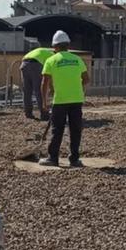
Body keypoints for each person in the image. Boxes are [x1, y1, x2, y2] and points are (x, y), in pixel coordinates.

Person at [39, 30, 89, 167]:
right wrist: (76, 88)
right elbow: (86, 79)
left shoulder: (51, 60)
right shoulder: (77, 59)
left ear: (55, 47)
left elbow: (44, 83)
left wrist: (44, 103)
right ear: (68, 45)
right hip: (76, 100)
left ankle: (53, 158)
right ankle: (74, 159)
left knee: (57, 130)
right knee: (75, 130)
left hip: (60, 100)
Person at [20, 46, 54, 119]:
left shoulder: (44, 52)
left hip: (24, 63)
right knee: (39, 90)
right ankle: (44, 113)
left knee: (27, 91)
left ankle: (28, 113)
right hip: (35, 64)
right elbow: (50, 75)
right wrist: (52, 88)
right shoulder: (53, 56)